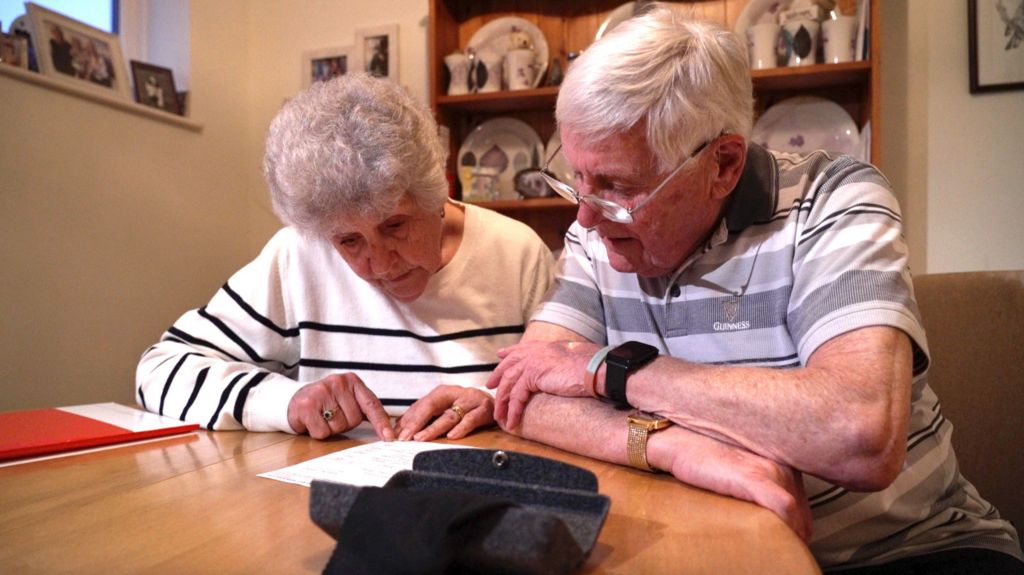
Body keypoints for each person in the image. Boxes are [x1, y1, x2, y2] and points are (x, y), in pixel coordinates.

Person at [487, 4, 1023, 573]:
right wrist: (677, 447)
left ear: (723, 163)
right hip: (718, 545)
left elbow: (859, 433)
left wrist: (613, 372)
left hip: (908, 550)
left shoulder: (833, 201)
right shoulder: (598, 231)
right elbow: (523, 395)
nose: (584, 217)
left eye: (616, 187)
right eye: (576, 177)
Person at [137, 73, 554, 443]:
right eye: (349, 241)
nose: (381, 265)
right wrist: (287, 401)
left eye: (395, 225)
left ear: (437, 191)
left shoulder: (516, 252)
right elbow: (159, 371)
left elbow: (569, 386)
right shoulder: (300, 253)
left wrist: (490, 400)